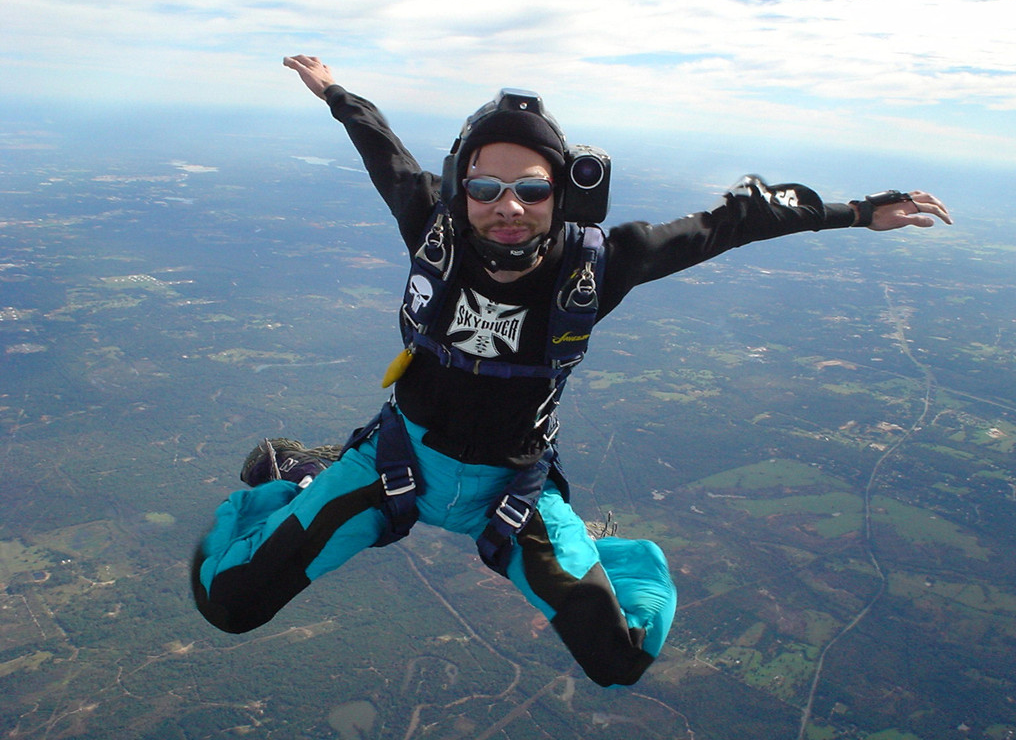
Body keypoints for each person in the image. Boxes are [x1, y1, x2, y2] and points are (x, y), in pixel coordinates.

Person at [190, 55, 952, 688]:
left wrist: (856, 211)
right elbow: (380, 148)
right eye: (485, 188)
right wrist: (333, 91)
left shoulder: (597, 265)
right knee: (226, 601)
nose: (507, 207)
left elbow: (733, 222)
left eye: (532, 188)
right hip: (395, 462)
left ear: (563, 192)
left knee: (619, 658)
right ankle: (293, 479)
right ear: (462, 188)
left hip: (511, 490)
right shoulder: (435, 229)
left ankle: (616, 556)